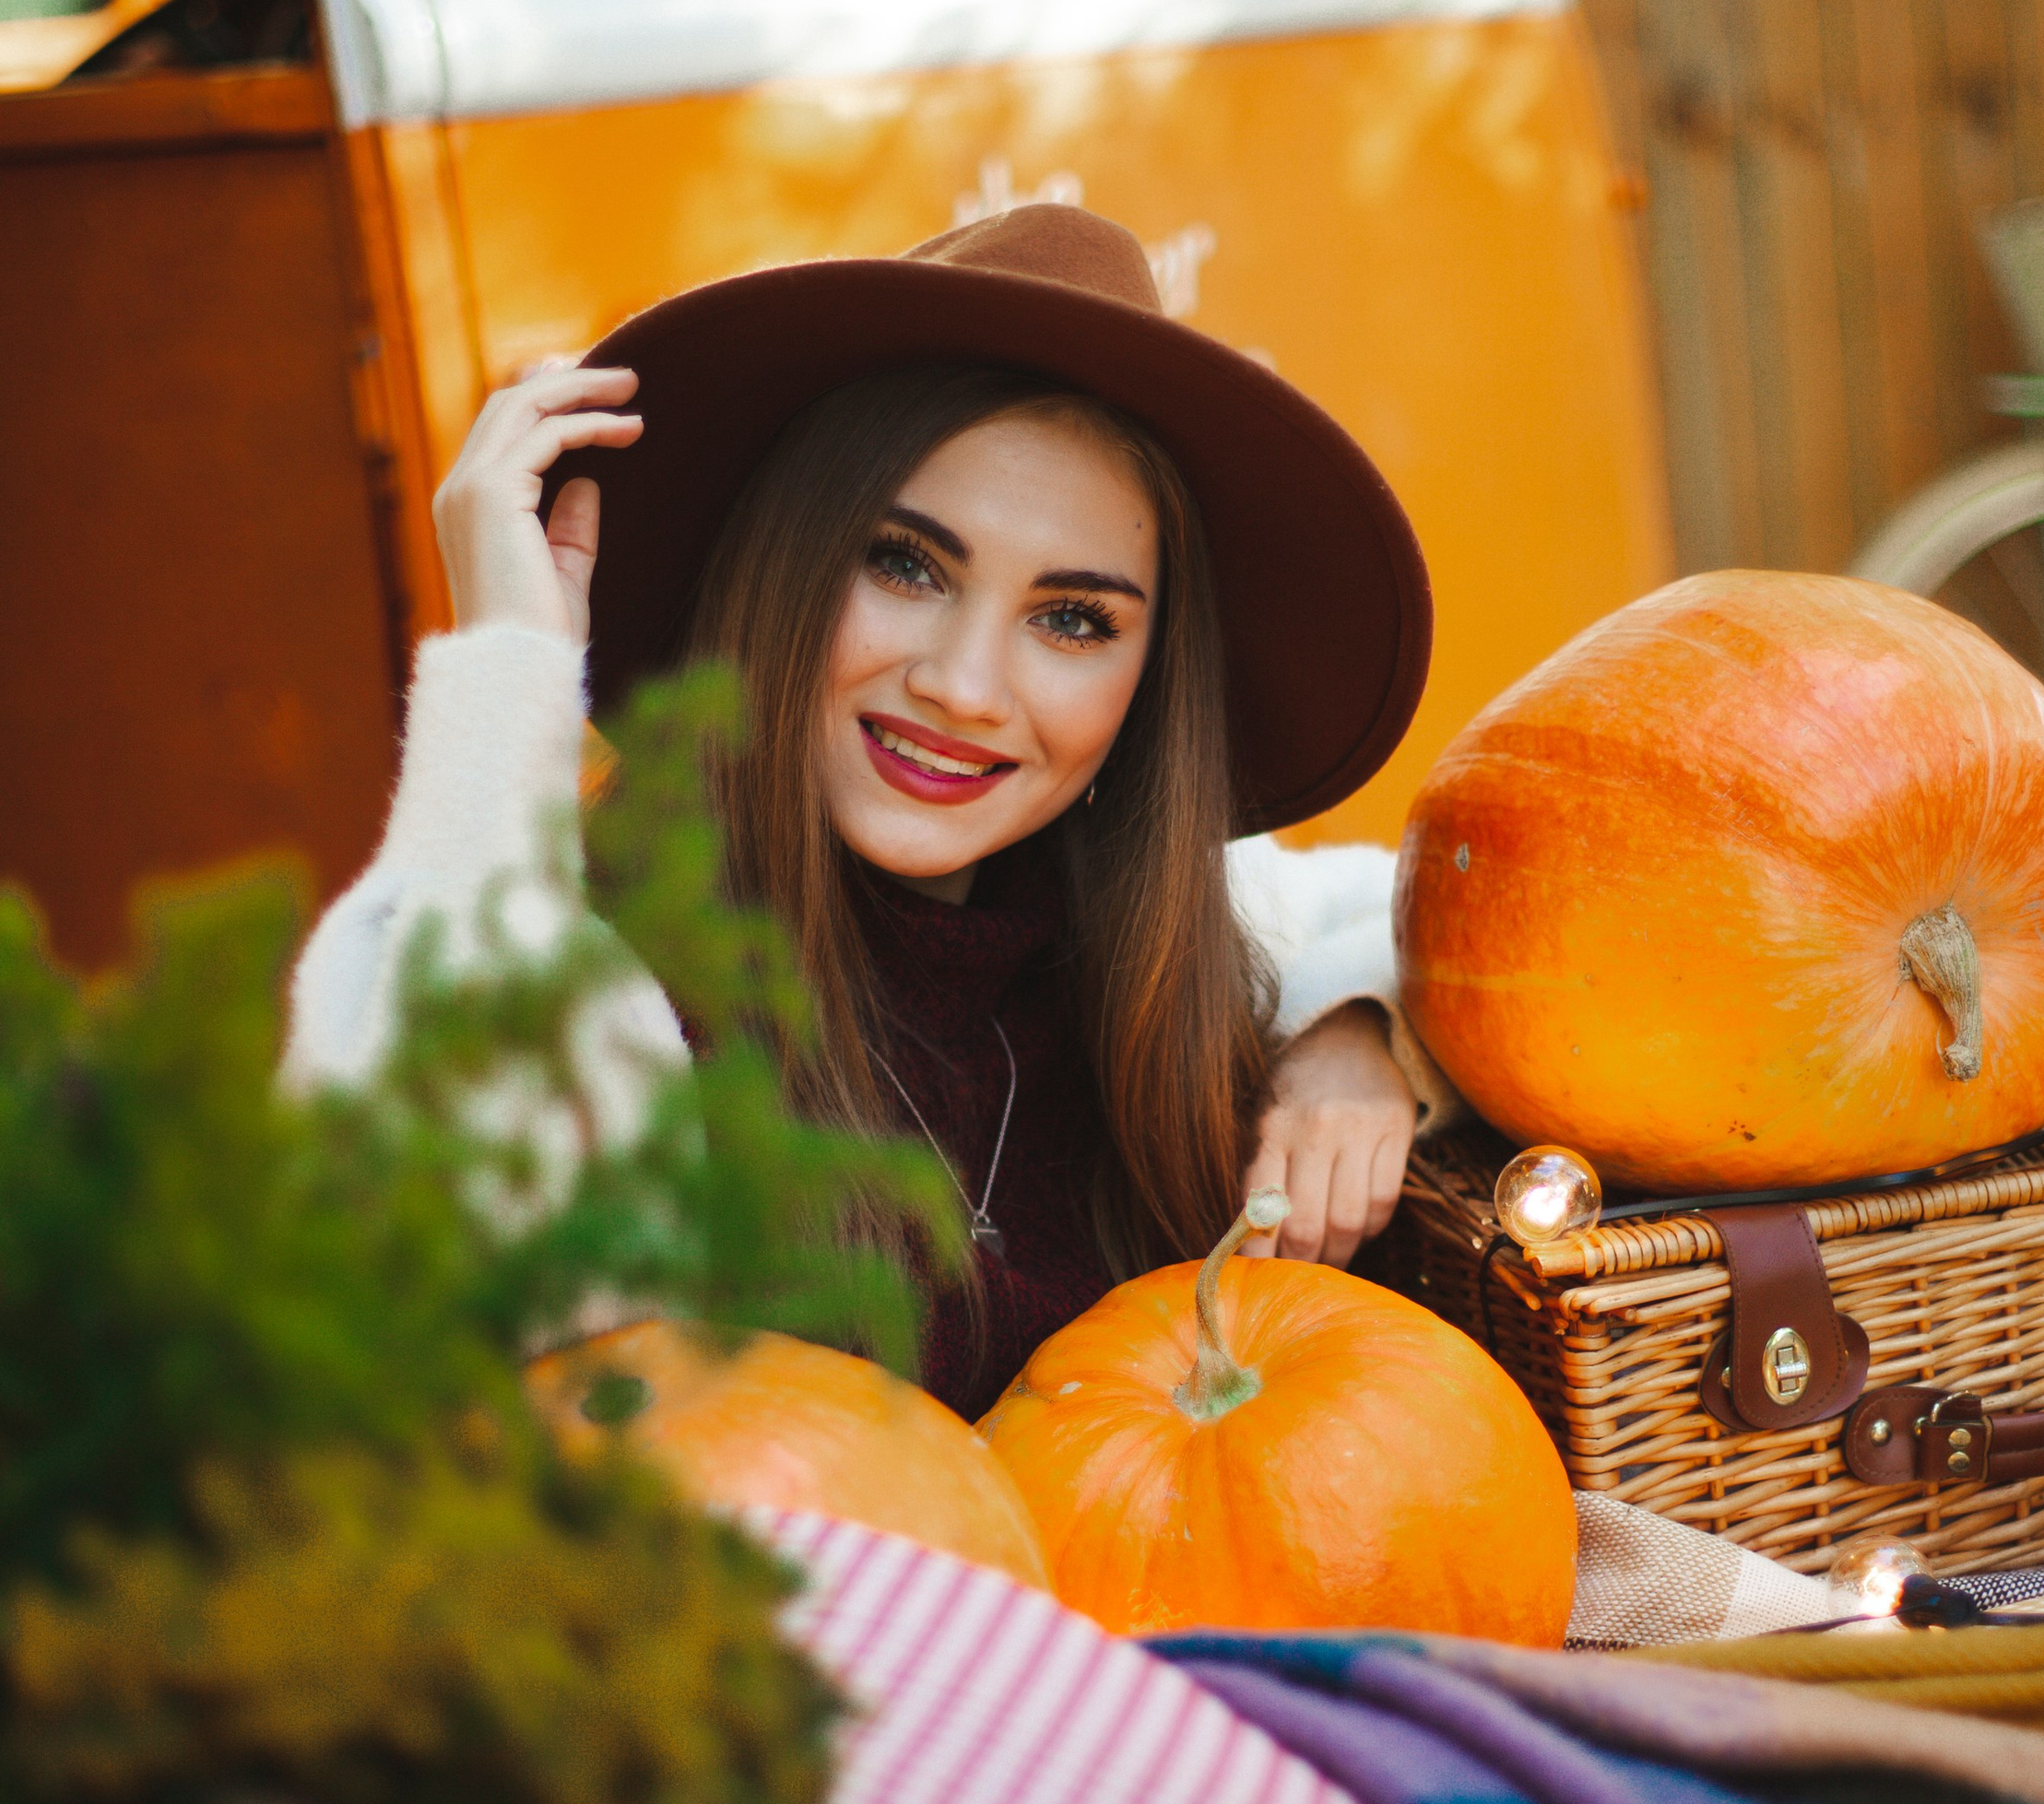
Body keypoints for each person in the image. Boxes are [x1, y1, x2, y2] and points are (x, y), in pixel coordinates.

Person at [287, 202, 1450, 1414]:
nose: (962, 687)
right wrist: (512, 668)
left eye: (1073, 620)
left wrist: (1354, 1039)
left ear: (1147, 684)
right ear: (784, 568)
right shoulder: (596, 962)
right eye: (906, 564)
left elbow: (1411, 919)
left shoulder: (1129, 945)